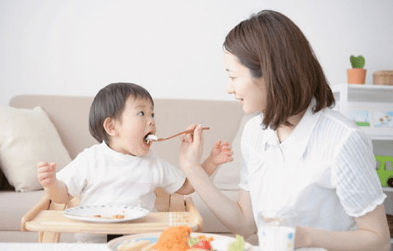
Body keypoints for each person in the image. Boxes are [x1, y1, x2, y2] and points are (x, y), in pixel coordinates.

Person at [178, 10, 391, 251]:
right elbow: (246, 225)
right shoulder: (254, 132)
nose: (228, 88)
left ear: (269, 74)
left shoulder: (344, 140)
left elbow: (379, 240)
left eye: (233, 76)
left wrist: (305, 237)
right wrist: (192, 168)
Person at [36, 82, 233, 242]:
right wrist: (51, 183)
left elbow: (188, 186)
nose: (151, 121)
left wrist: (211, 162)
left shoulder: (152, 162)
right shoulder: (90, 159)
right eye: (142, 113)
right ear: (112, 126)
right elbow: (62, 196)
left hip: (141, 241)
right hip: (94, 242)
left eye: (152, 114)